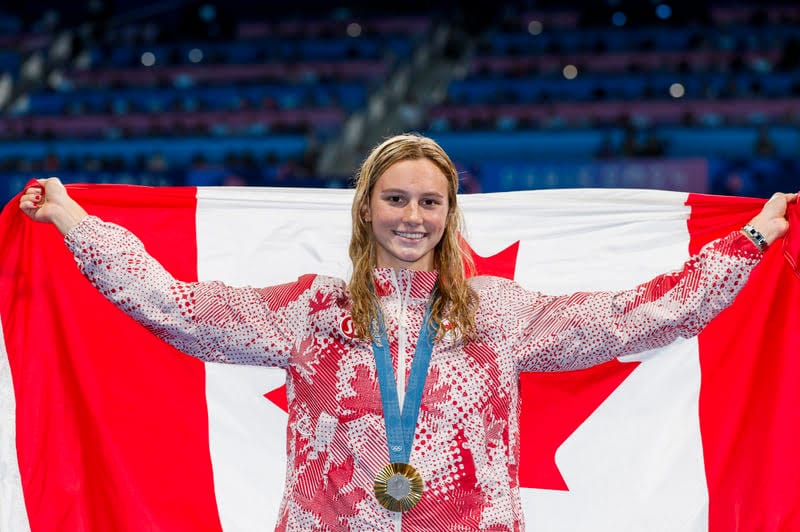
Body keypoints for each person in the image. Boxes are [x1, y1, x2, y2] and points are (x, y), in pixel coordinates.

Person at [18, 133, 797, 531]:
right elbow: (175, 307)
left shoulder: (498, 313)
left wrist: (752, 239)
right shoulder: (311, 311)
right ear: (366, 208)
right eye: (396, 199)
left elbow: (645, 313)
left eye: (430, 203)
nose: (412, 217)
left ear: (450, 214)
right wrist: (76, 222)